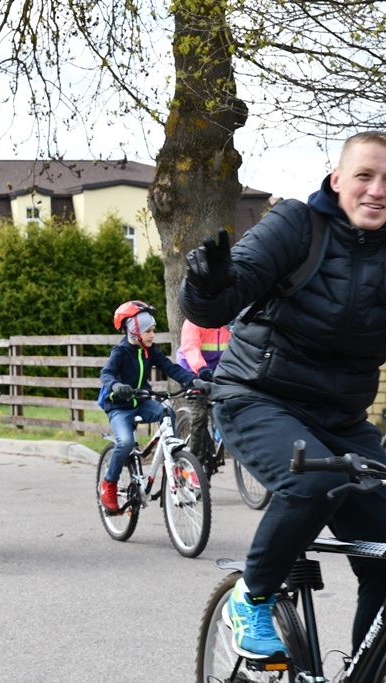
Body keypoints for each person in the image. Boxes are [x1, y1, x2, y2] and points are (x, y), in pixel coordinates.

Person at [180, 131, 386, 669]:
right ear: (337, 180)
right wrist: (206, 285)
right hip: (259, 398)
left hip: (342, 419)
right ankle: (252, 600)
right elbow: (220, 301)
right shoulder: (297, 225)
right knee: (316, 481)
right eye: (365, 176)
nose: (377, 191)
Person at [98, 301, 199, 511]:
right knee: (125, 443)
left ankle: (171, 464)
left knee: (166, 412)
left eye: (153, 330)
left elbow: (171, 368)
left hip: (142, 402)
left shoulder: (150, 351)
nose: (153, 335)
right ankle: (109, 483)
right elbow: (106, 374)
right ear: (135, 331)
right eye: (149, 330)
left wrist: (194, 381)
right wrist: (116, 386)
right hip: (119, 407)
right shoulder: (121, 352)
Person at [175, 319, 231, 458]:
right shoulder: (195, 321)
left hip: (216, 372)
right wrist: (201, 368)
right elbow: (190, 347)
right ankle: (194, 464)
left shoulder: (230, 324)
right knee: (199, 416)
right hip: (191, 372)